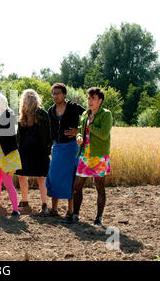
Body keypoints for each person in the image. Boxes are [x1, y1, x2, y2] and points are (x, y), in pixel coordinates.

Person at [45, 83, 86, 224]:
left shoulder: (74, 107)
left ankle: (70, 211)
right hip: (57, 147)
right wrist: (49, 146)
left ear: (64, 94)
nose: (55, 96)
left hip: (72, 148)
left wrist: (79, 131)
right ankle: (54, 209)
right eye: (53, 93)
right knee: (53, 177)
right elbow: (51, 131)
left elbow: (89, 118)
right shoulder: (51, 110)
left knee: (71, 179)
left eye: (58, 93)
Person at [73, 87, 113, 227]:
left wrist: (91, 125)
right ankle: (75, 214)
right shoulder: (85, 113)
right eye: (89, 98)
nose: (90, 101)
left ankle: (99, 217)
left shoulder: (106, 115)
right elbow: (80, 130)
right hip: (85, 155)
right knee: (77, 185)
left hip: (99, 156)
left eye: (93, 98)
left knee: (99, 187)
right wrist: (79, 137)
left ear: (100, 100)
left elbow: (103, 134)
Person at [15, 89, 52, 215]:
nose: (23, 100)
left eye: (25, 98)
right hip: (24, 150)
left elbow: (48, 134)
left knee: (41, 177)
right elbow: (19, 135)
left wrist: (47, 150)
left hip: (39, 150)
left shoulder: (42, 114)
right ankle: (24, 201)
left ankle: (44, 204)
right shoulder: (22, 114)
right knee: (21, 175)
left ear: (31, 99)